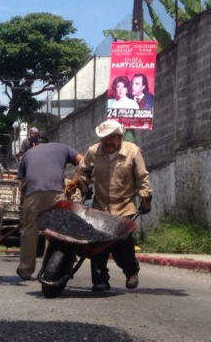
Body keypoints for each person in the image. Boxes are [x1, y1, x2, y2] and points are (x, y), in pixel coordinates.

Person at [71, 120, 151, 291]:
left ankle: (131, 272)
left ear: (120, 137)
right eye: (104, 139)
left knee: (123, 241)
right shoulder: (93, 152)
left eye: (111, 138)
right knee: (97, 242)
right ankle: (100, 279)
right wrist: (82, 184)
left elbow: (142, 178)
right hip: (101, 208)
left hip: (125, 207)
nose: (107, 142)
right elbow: (82, 170)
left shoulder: (133, 152)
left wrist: (145, 198)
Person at [15, 139, 83, 281]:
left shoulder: (26, 155)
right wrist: (75, 180)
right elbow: (83, 160)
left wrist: (26, 206)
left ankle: (25, 270)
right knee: (55, 231)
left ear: (34, 145)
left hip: (32, 193)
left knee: (29, 230)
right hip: (56, 192)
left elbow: (23, 184)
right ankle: (50, 268)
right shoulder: (63, 147)